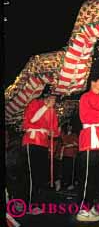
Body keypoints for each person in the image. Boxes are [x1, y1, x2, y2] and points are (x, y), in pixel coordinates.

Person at [76, 73, 99, 222]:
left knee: (96, 177)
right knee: (88, 177)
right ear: (93, 82)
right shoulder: (86, 97)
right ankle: (83, 210)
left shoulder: (97, 98)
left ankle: (90, 206)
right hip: (90, 138)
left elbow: (98, 117)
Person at [22, 86, 60, 214]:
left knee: (39, 175)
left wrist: (53, 132)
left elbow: (55, 132)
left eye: (55, 98)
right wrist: (45, 107)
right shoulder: (35, 103)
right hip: (31, 142)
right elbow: (32, 120)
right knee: (31, 175)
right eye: (53, 97)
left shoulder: (52, 111)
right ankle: (27, 204)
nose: (54, 101)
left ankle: (36, 203)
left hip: (43, 144)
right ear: (47, 96)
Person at [59, 124, 78, 190]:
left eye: (70, 126)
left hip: (72, 154)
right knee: (65, 169)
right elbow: (62, 141)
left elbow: (76, 144)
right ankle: (66, 182)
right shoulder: (64, 135)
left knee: (71, 170)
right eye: (68, 126)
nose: (69, 127)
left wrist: (68, 145)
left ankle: (71, 183)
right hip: (65, 154)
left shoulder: (74, 135)